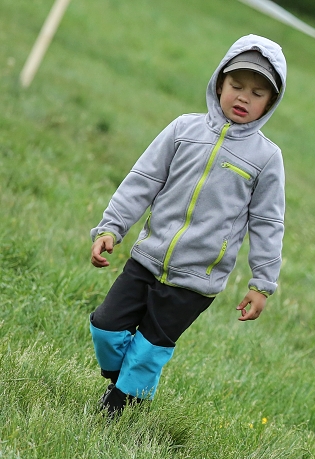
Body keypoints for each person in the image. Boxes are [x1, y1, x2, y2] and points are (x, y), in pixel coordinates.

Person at [88, 35, 287, 416]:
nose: (244, 97)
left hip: (195, 281)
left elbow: (267, 223)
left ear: (271, 103)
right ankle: (125, 382)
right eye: (236, 86)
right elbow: (142, 180)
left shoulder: (266, 158)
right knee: (106, 326)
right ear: (218, 84)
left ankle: (118, 411)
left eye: (258, 92)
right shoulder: (183, 129)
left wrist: (262, 283)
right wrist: (111, 227)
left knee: (150, 347)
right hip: (147, 258)